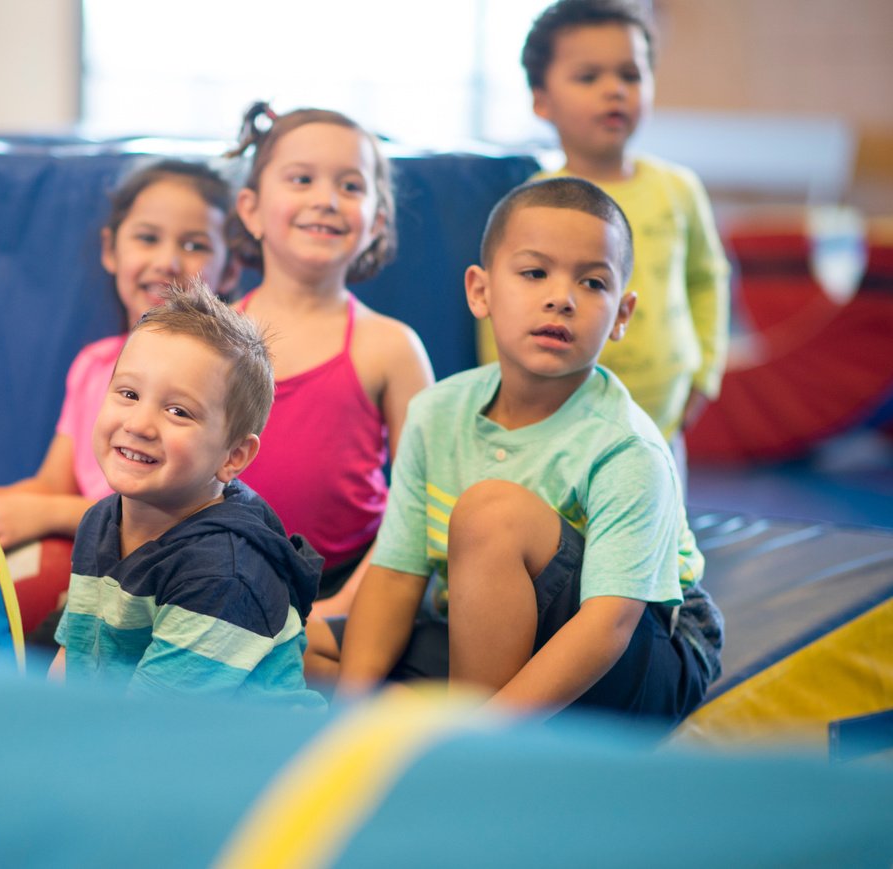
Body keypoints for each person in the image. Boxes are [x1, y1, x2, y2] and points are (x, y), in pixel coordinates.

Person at [311, 178, 723, 729]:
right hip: (494, 632)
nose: (561, 297)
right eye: (534, 273)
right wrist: (351, 709)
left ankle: (480, 744)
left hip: (643, 649)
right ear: (480, 291)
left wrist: (486, 736)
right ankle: (435, 720)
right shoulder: (437, 413)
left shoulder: (627, 445)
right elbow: (395, 576)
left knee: (492, 514)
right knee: (302, 648)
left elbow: (608, 626)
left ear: (621, 314)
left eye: (593, 282)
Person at [478, 0, 730, 479]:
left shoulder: (678, 189)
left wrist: (705, 373)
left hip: (663, 418)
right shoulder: (532, 203)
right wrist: (511, 391)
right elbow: (501, 300)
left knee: (658, 535)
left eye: (630, 76)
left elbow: (706, 277)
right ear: (541, 99)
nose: (614, 90)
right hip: (560, 420)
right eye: (589, 77)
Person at [51, 280, 325, 706]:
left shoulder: (225, 574)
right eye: (128, 393)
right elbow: (74, 665)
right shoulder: (102, 521)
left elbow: (151, 730)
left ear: (233, 456)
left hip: (248, 764)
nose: (140, 424)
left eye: (178, 411)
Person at [227, 102, 435, 618]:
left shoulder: (390, 345)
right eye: (301, 179)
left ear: (376, 223)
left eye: (350, 186)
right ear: (251, 209)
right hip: (222, 567)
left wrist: (346, 604)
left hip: (351, 580)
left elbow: (424, 498)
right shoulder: (213, 336)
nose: (326, 200)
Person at [0, 159, 237, 551]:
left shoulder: (222, 378)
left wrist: (48, 514)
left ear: (230, 270)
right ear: (110, 249)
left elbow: (176, 513)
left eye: (194, 245)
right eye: (148, 238)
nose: (167, 261)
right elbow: (51, 484)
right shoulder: (93, 364)